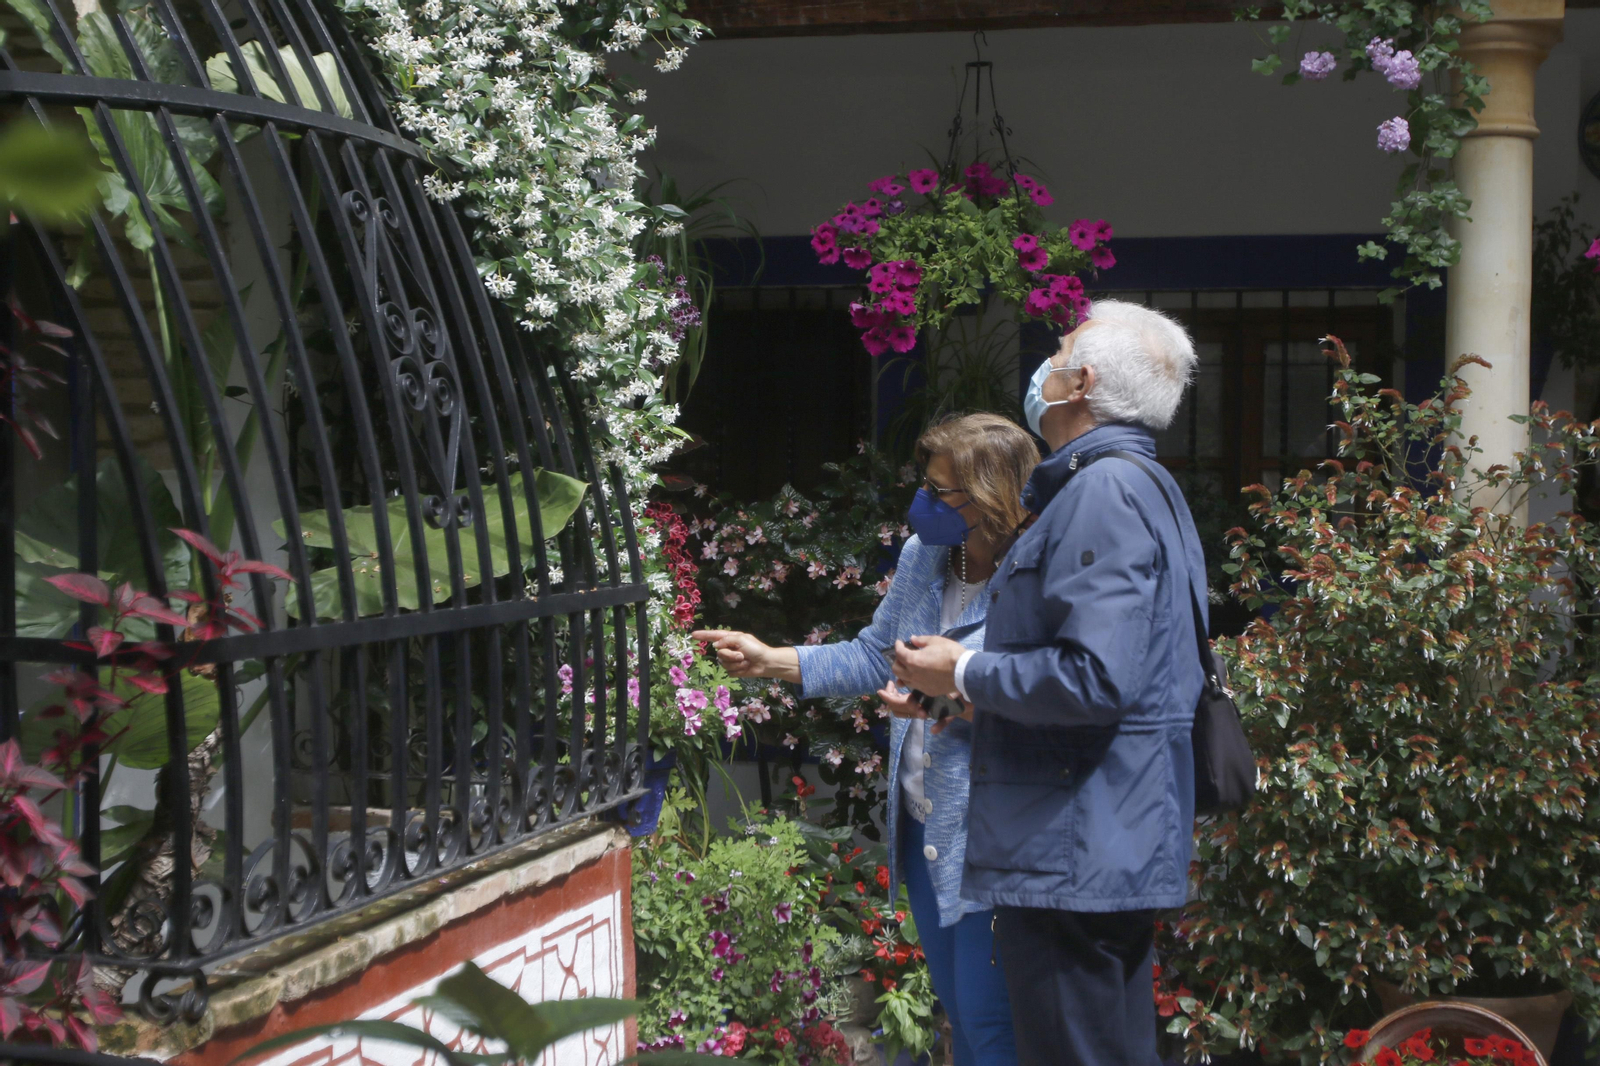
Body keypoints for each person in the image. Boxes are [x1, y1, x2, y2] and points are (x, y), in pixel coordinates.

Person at [889, 300, 1205, 1066]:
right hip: (1096, 835)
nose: (1045, 365)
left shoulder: (1104, 493)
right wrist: (963, 701)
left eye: (1058, 353)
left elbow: (1094, 680)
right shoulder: (1138, 485)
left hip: (1074, 847)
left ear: (1081, 381)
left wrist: (959, 668)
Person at [694, 412, 1038, 1066]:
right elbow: (876, 655)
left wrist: (945, 703)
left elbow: (1048, 699)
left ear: (991, 496)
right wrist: (768, 659)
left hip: (995, 838)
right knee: (961, 1017)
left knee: (993, 1026)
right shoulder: (926, 556)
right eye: (925, 486)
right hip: (923, 829)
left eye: (940, 493)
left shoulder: (1036, 575)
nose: (923, 504)